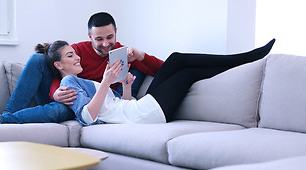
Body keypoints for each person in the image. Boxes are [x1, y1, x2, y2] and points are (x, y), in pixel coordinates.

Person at [0, 12, 163, 124]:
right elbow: (58, 70)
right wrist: (56, 92)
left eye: (109, 37)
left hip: (85, 107)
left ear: (116, 32)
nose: (105, 44)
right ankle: (4, 118)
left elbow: (161, 70)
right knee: (37, 59)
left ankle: (0, 121)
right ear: (90, 37)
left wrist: (142, 55)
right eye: (99, 39)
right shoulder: (76, 51)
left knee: (59, 111)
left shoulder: (121, 53)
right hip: (66, 97)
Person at [42, 39, 275, 125]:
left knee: (176, 59)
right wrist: (105, 82)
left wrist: (124, 87)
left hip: (136, 108)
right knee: (187, 74)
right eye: (70, 55)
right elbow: (86, 118)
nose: (78, 56)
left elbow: (120, 106)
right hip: (143, 115)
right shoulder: (70, 82)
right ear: (59, 65)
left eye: (75, 52)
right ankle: (245, 60)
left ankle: (242, 57)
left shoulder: (82, 80)